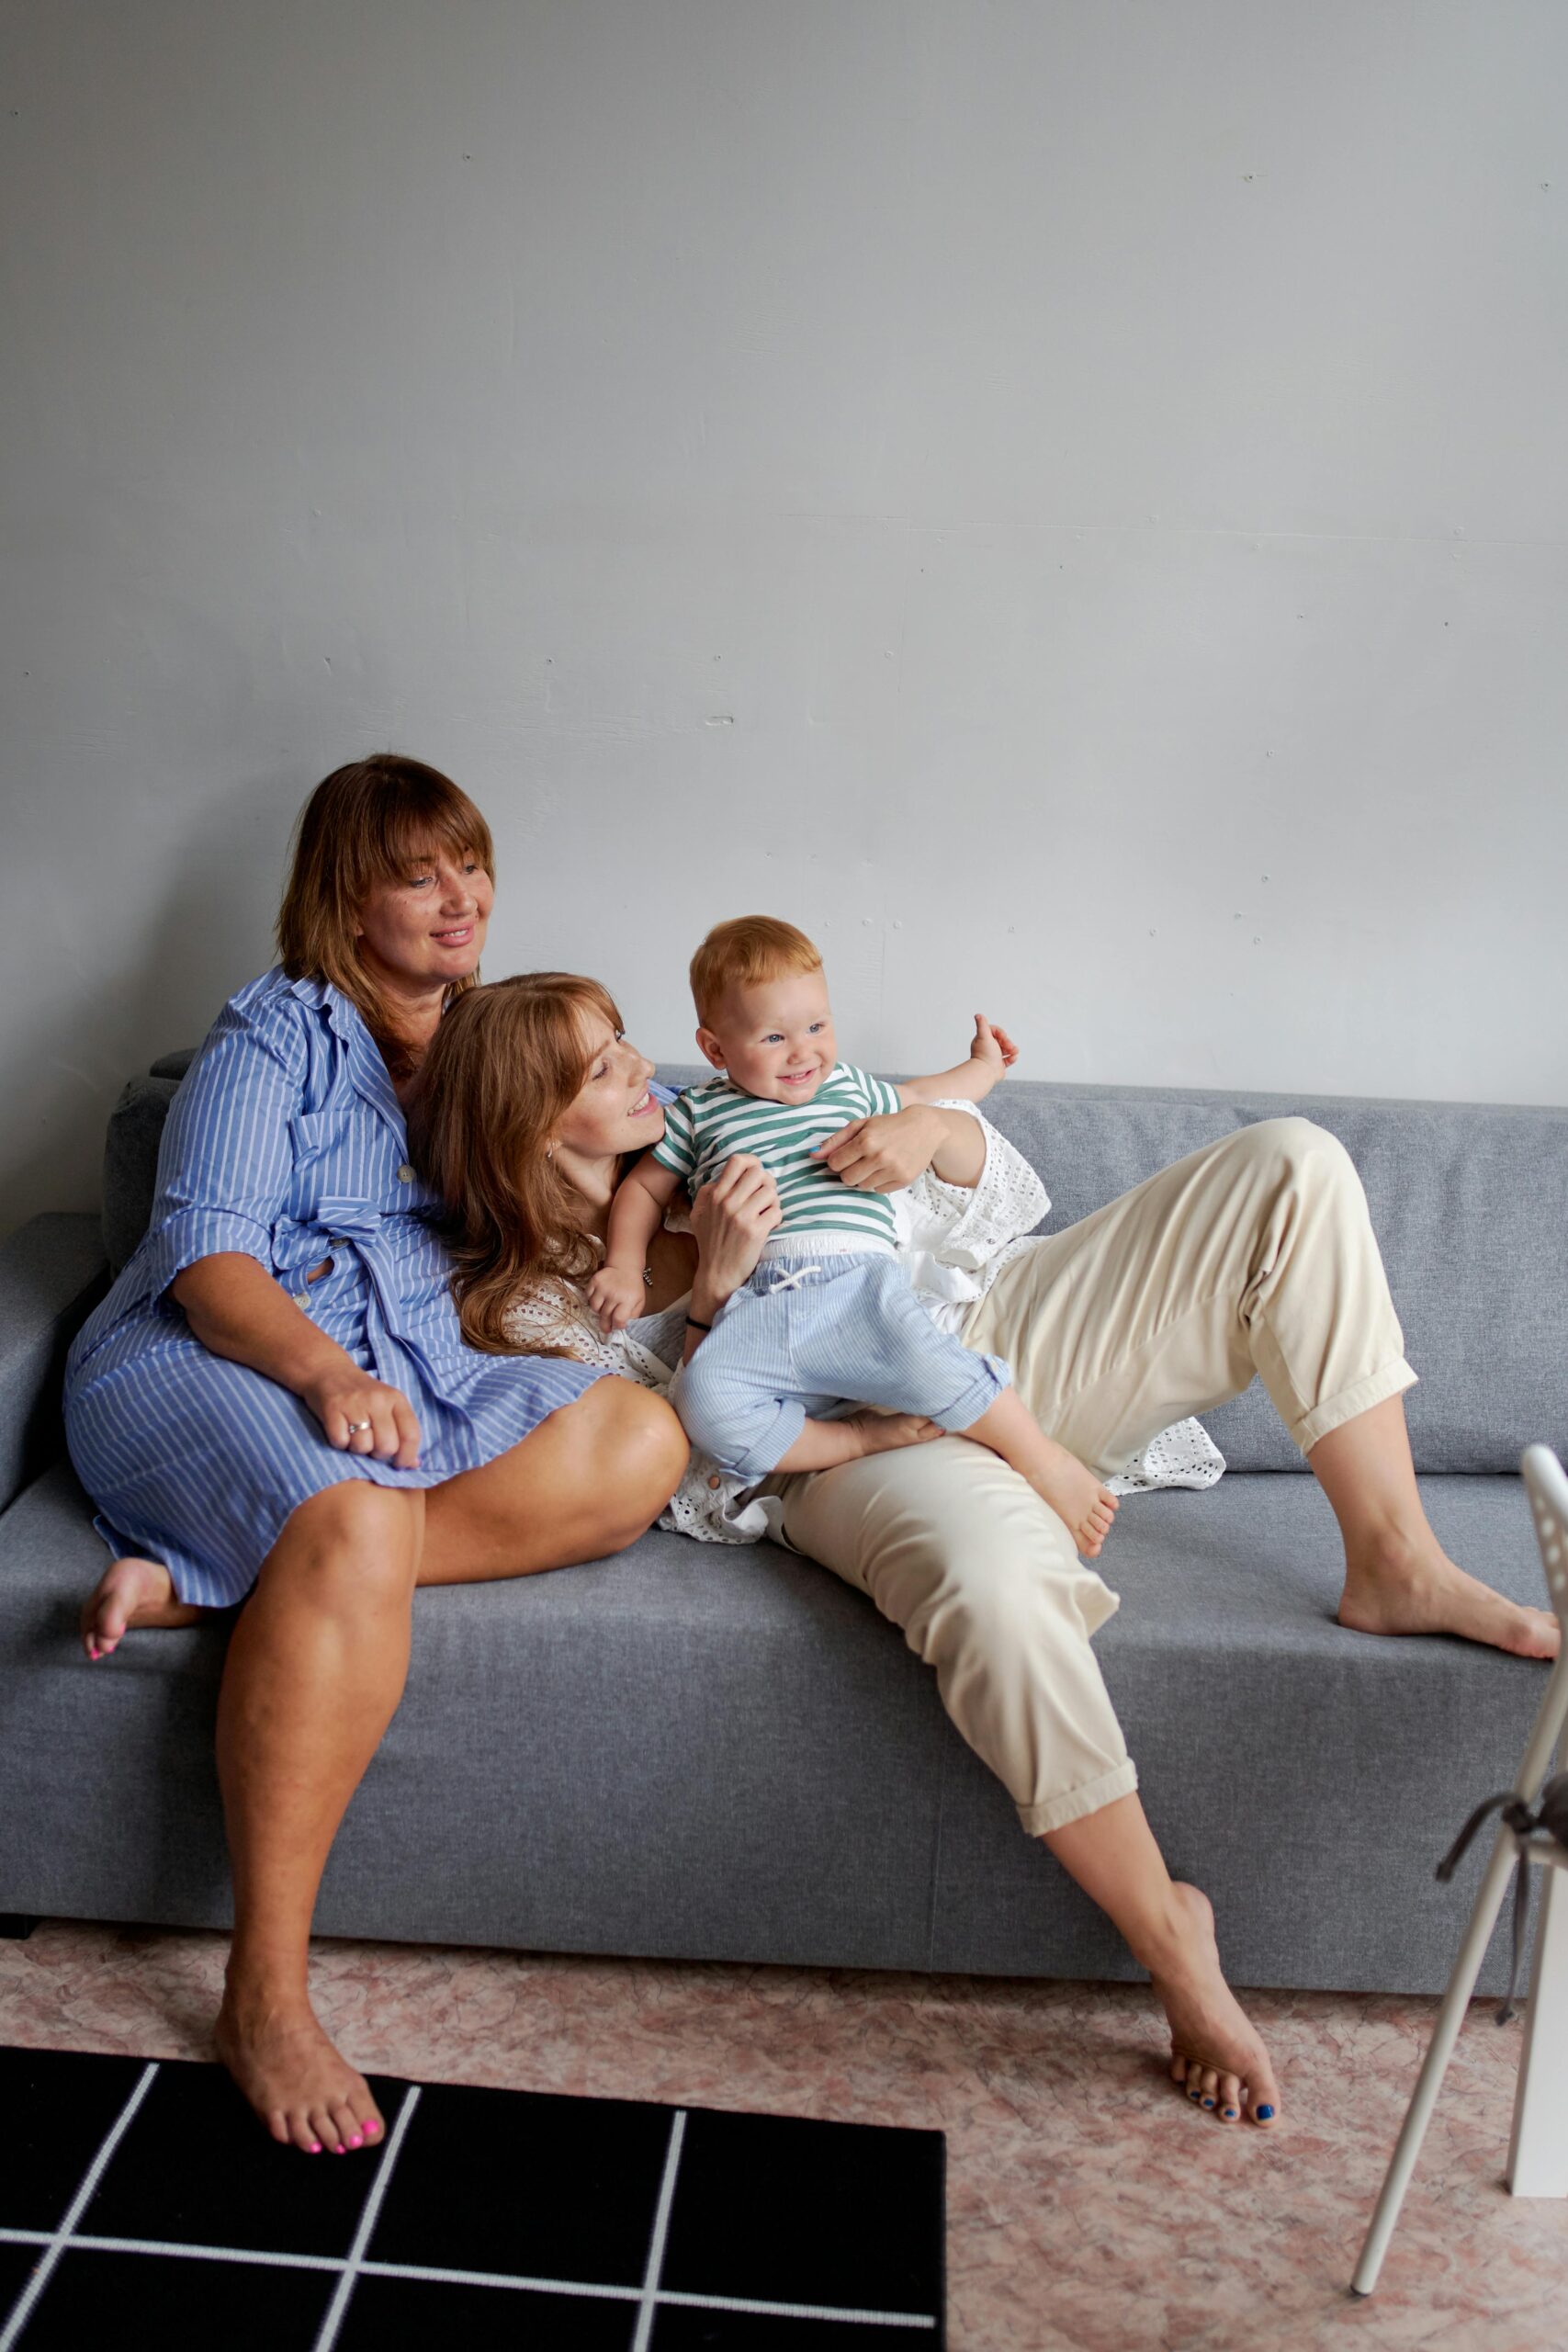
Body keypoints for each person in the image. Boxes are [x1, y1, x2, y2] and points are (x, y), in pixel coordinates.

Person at [412, 967, 1562, 2135]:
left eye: (623, 1043)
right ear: (529, 1123)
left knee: (1291, 1162)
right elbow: (695, 1480)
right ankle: (1168, 1929)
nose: (638, 1067)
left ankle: (1394, 1558)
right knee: (996, 1586)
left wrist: (929, 1132)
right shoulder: (535, 1303)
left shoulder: (743, 1109)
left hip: (983, 1329)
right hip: (851, 1443)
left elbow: (1008, 1198)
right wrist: (712, 1293)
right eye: (599, 1067)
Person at [64, 755, 688, 2160]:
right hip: (216, 1351)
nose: (459, 894)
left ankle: (212, 1589)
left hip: (406, 1370)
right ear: (344, 898)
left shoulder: (488, 1028)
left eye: (468, 862)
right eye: (419, 872)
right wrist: (324, 1373)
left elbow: (604, 1152)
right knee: (350, 1522)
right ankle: (264, 1990)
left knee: (637, 1444)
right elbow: (204, 1254)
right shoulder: (273, 1039)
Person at [590, 915, 1119, 1558]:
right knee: (702, 1402)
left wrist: (982, 1067)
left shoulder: (849, 1089)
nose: (803, 1051)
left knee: (936, 1365)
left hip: (858, 1285)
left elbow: (930, 1097)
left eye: (817, 1027)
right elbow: (642, 1190)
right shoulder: (697, 1111)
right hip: (758, 1305)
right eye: (774, 1036)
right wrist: (621, 1265)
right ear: (716, 1049)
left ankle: (1039, 1457)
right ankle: (861, 1439)